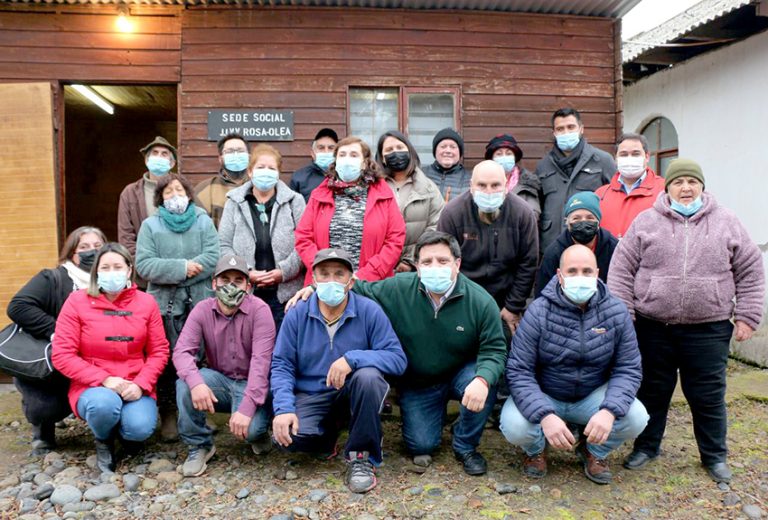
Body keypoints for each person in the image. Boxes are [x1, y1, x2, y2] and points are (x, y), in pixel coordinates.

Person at [287, 232, 508, 476]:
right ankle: (437, 420)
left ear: (457, 264)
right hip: (419, 382)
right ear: (417, 267)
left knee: (485, 382)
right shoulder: (399, 288)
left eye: (442, 261)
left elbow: (495, 349)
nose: (435, 267)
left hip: (461, 373)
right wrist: (312, 288)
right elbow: (356, 286)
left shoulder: (480, 301)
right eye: (427, 262)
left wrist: (482, 379)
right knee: (421, 444)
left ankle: (465, 445)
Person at [608, 159, 765, 483]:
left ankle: (714, 456)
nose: (686, 188)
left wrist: (748, 315)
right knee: (652, 391)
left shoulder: (727, 222)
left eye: (693, 182)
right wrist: (625, 316)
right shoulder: (646, 221)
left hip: (708, 328)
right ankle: (646, 447)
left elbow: (750, 269)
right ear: (668, 187)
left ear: (702, 186)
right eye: (679, 182)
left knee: (707, 396)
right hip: (653, 326)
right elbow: (622, 270)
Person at [501, 245, 648, 485]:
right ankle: (536, 450)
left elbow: (628, 368)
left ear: (598, 273)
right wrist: (544, 415)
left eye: (587, 271)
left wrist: (609, 410)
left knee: (636, 417)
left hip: (592, 394)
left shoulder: (616, 311)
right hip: (547, 393)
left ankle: (593, 450)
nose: (580, 277)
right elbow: (518, 370)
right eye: (572, 271)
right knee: (514, 425)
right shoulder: (538, 311)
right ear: (559, 275)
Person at [272, 248, 406, 493]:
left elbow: (397, 359)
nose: (331, 280)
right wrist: (283, 409)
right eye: (324, 274)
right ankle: (327, 437)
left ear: (351, 281)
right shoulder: (297, 314)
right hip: (312, 395)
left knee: (369, 377)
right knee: (287, 439)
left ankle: (362, 456)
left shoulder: (369, 311)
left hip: (351, 392)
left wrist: (352, 359)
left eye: (339, 274)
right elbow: (282, 364)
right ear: (313, 279)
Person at [51, 243, 169, 473]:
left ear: (128, 270)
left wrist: (141, 384)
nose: (111, 272)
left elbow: (159, 351)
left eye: (117, 266)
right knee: (103, 405)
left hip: (135, 382)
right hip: (92, 386)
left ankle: (125, 436)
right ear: (96, 272)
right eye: (105, 267)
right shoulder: (76, 302)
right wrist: (104, 379)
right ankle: (103, 439)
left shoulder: (147, 303)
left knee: (140, 428)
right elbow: (62, 354)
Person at [174, 254, 276, 477]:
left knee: (250, 431)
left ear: (248, 286)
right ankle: (199, 445)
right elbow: (181, 352)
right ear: (214, 283)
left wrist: (247, 410)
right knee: (184, 382)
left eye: (238, 281)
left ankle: (259, 433)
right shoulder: (202, 310)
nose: (230, 286)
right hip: (220, 379)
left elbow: (262, 364)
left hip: (252, 383)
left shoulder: (260, 311)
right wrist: (196, 383)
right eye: (224, 279)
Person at [7, 226, 106, 454]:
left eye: (97, 247)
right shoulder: (54, 278)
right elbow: (19, 306)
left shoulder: (112, 280)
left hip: (96, 361)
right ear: (71, 253)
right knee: (45, 405)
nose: (91, 252)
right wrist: (57, 330)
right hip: (55, 363)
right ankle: (43, 431)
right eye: (84, 247)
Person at [135, 173, 219, 441]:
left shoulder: (204, 222)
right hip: (163, 305)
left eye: (179, 190)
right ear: (160, 197)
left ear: (189, 194)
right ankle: (168, 413)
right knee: (166, 361)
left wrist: (194, 268)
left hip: (199, 300)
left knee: (197, 358)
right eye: (169, 192)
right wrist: (181, 268)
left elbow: (213, 256)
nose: (175, 196)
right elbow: (145, 265)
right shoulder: (150, 226)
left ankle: (195, 414)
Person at [437, 160, 538, 337]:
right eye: (482, 185)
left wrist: (512, 307)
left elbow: (528, 264)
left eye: (495, 185)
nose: (489, 191)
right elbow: (443, 261)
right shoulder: (452, 213)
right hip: (462, 300)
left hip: (506, 303)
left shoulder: (523, 214)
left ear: (506, 185)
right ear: (471, 185)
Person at [294, 136, 405, 285]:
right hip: (326, 284)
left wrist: (365, 276)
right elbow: (303, 237)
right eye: (342, 155)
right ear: (335, 161)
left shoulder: (384, 195)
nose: (347, 159)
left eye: (354, 155)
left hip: (371, 285)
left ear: (365, 163)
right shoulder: (319, 195)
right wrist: (323, 271)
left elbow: (395, 239)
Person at [219, 144, 306, 330]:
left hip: (286, 294)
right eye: (260, 167)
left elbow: (304, 242)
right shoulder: (234, 202)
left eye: (271, 168)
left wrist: (283, 272)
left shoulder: (295, 201)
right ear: (250, 172)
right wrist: (246, 272)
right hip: (245, 291)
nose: (266, 172)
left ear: (278, 173)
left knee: (282, 349)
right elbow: (224, 245)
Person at [534, 108, 615, 254]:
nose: (566, 132)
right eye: (560, 129)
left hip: (592, 244)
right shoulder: (543, 166)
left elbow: (614, 199)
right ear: (554, 133)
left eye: (571, 127)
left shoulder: (603, 161)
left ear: (581, 129)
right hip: (552, 245)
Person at [376, 130, 444, 272]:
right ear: (382, 158)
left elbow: (435, 226)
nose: (395, 153)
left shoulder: (428, 188)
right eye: (389, 150)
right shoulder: (373, 187)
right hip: (379, 268)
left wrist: (410, 261)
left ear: (410, 151)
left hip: (416, 268)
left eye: (400, 148)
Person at [535, 191, 618, 297]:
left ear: (598, 221)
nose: (583, 222)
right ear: (567, 222)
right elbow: (543, 292)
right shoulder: (554, 253)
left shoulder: (613, 248)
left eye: (590, 218)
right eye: (576, 218)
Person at [117, 136, 177, 261]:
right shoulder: (130, 193)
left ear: (172, 163)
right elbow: (126, 236)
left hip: (176, 264)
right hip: (143, 268)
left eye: (164, 154)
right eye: (155, 153)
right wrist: (142, 263)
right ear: (146, 160)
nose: (159, 157)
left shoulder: (182, 190)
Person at [595, 133, 665, 239]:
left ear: (647, 157)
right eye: (623, 154)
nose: (629, 158)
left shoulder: (664, 189)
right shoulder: (601, 194)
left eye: (636, 154)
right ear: (616, 158)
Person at [193, 132, 251, 228]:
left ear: (249, 156)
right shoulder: (203, 190)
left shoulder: (260, 187)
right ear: (220, 158)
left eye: (240, 151)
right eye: (229, 151)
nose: (235, 155)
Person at [484, 133, 540, 218]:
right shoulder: (482, 183)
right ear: (492, 159)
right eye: (499, 154)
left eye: (508, 153)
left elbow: (533, 213)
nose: (504, 157)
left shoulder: (528, 183)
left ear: (515, 157)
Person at [290, 128, 339, 202]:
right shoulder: (299, 177)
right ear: (312, 153)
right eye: (321, 148)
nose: (326, 152)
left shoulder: (344, 176)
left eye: (331, 148)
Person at [423, 128, 471, 202]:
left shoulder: (470, 179)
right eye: (443, 146)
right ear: (435, 151)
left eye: (453, 147)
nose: (448, 151)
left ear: (459, 152)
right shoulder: (421, 175)